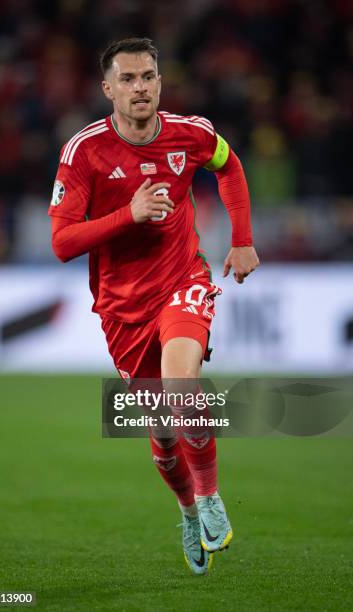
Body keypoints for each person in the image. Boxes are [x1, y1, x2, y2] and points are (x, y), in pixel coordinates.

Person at [49, 37, 259, 575]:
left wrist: (241, 238)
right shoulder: (84, 152)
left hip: (183, 279)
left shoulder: (191, 133)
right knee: (164, 436)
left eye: (148, 77)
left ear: (160, 83)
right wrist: (130, 213)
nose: (139, 87)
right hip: (122, 308)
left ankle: (210, 497)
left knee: (181, 389)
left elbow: (229, 166)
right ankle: (188, 511)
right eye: (127, 79)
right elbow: (63, 243)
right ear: (107, 89)